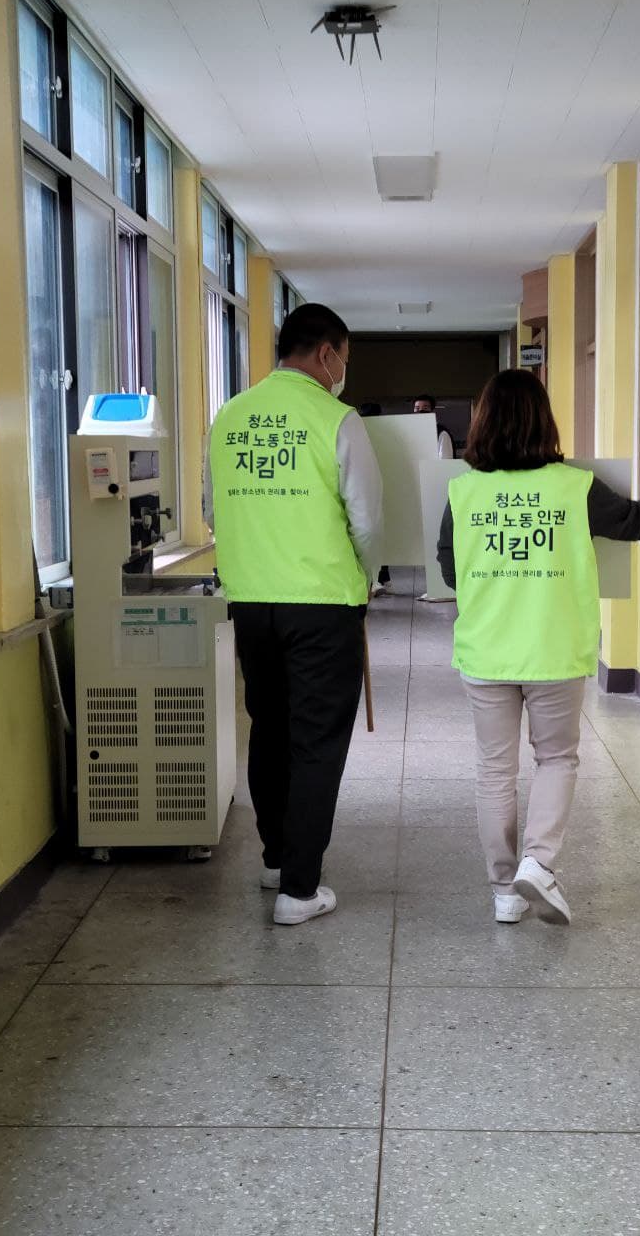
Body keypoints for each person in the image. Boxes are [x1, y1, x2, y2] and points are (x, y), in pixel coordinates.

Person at [436, 370, 640, 925]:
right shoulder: (574, 487)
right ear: (544, 422)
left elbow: (449, 571)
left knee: (494, 770)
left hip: (486, 649)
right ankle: (538, 863)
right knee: (556, 759)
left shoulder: (463, 492)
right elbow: (634, 524)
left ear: (483, 423)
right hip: (554, 648)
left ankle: (504, 891)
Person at [208, 303, 383, 926]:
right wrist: (367, 580)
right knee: (315, 741)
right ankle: (300, 890)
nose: (343, 371)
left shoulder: (229, 416)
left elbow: (212, 508)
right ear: (327, 354)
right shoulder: (337, 420)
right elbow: (366, 521)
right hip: (322, 604)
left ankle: (277, 859)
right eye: (344, 359)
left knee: (269, 729)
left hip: (251, 604)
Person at [357, 403, 393, 594]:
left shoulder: (358, 433)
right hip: (385, 488)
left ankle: (376, 579)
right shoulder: (386, 434)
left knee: (370, 534)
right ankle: (380, 579)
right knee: (380, 535)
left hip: (365, 490)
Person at [414, 393, 455, 459]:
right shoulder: (414, 432)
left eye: (425, 408)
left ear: (432, 411)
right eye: (417, 408)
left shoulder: (442, 433)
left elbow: (445, 462)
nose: (421, 411)